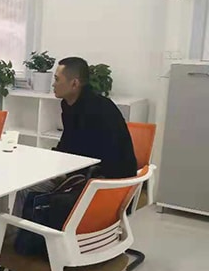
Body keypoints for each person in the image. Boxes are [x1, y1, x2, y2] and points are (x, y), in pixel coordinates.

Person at [12, 56, 138, 217]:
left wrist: (58, 171)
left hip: (106, 187)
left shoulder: (97, 110)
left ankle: (18, 232)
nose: (53, 84)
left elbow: (87, 157)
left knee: (27, 190)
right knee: (32, 180)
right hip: (87, 176)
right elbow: (69, 144)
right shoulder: (70, 104)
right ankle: (22, 229)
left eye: (57, 79)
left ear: (74, 83)